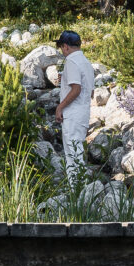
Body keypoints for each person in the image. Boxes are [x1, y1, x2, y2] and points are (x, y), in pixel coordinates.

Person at [54, 30, 96, 178]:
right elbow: (90, 91)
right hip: (83, 113)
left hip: (72, 114)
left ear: (65, 46)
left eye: (61, 47)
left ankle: (76, 187)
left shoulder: (71, 61)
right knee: (77, 150)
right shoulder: (86, 62)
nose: (62, 51)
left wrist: (60, 107)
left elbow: (76, 89)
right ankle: (80, 184)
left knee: (72, 154)